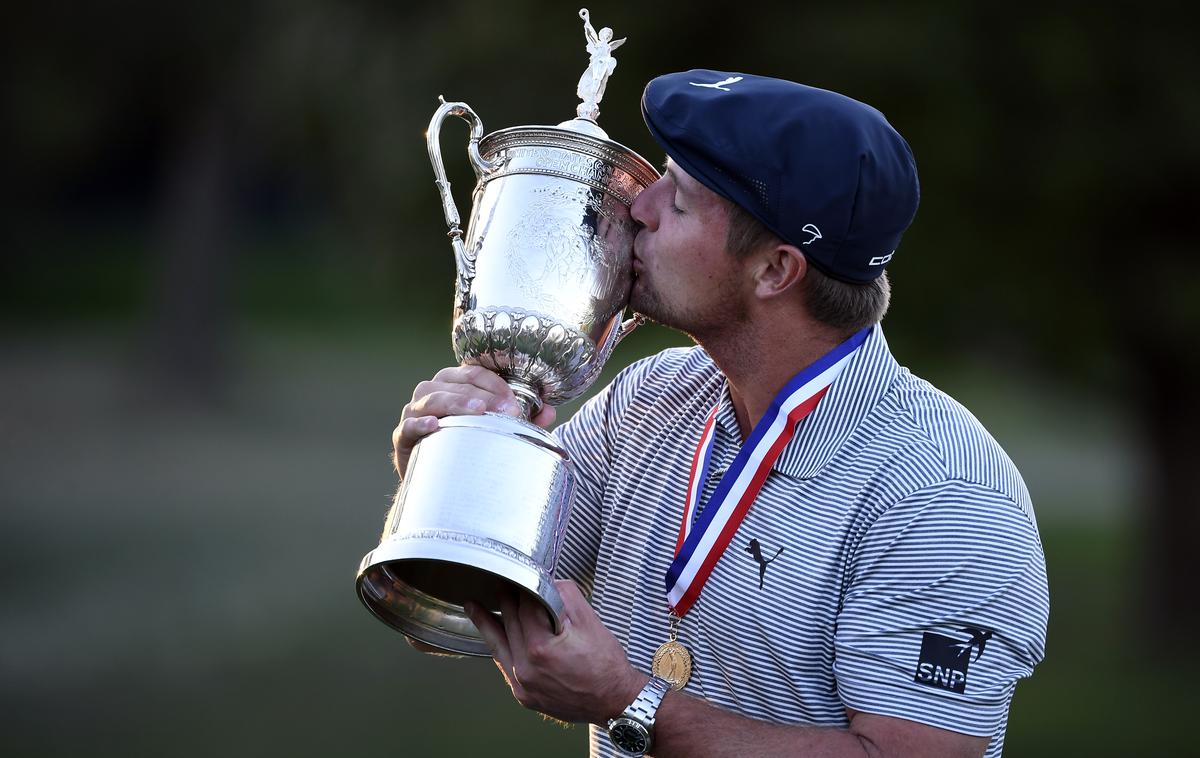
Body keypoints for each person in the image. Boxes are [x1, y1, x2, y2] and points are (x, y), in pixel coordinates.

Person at [392, 70, 1048, 758]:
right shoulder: (650, 399)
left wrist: (631, 704)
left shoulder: (946, 498)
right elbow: (476, 587)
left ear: (774, 271)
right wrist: (453, 465)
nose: (638, 206)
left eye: (679, 199)